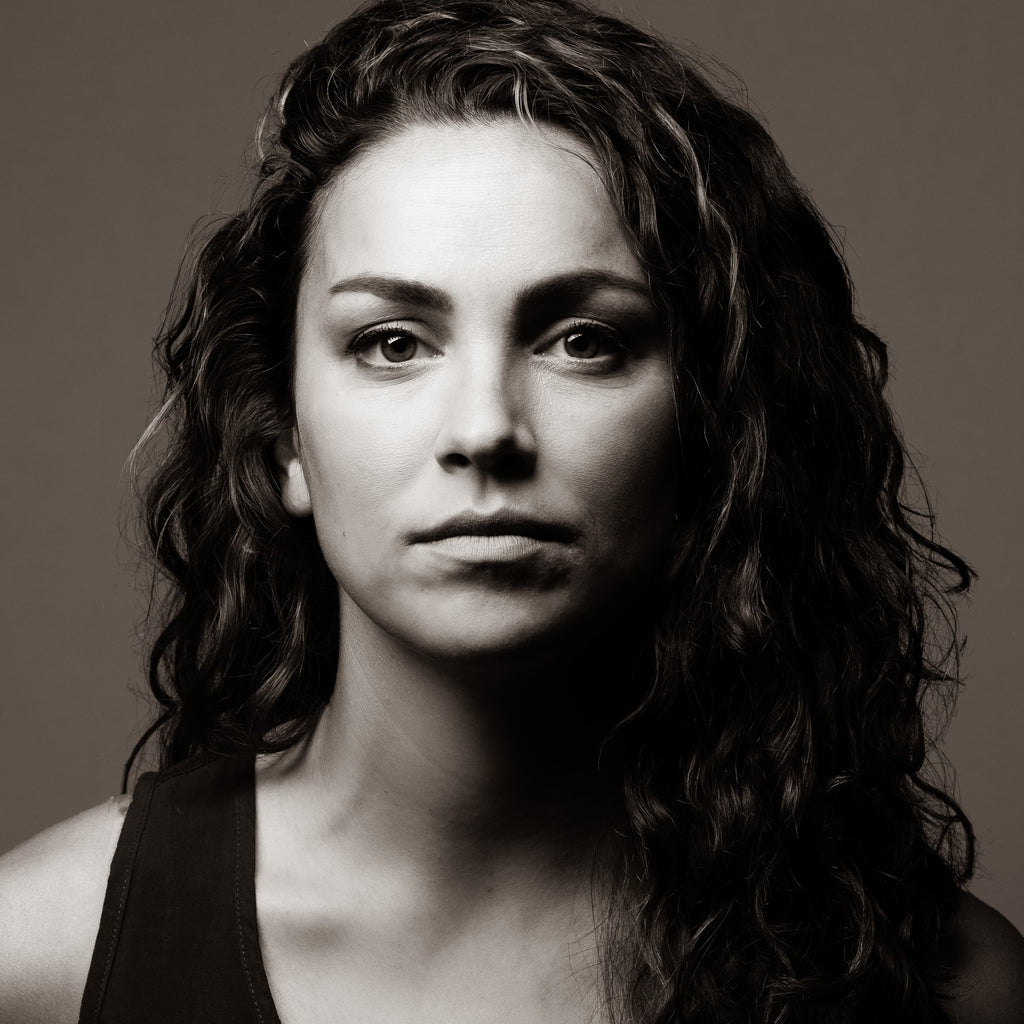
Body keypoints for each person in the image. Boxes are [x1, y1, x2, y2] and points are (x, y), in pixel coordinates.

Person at [2, 0, 1023, 1020]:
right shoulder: (36, 961)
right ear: (284, 447)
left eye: (582, 339)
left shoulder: (945, 985)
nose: (486, 428)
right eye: (393, 342)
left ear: (710, 434)